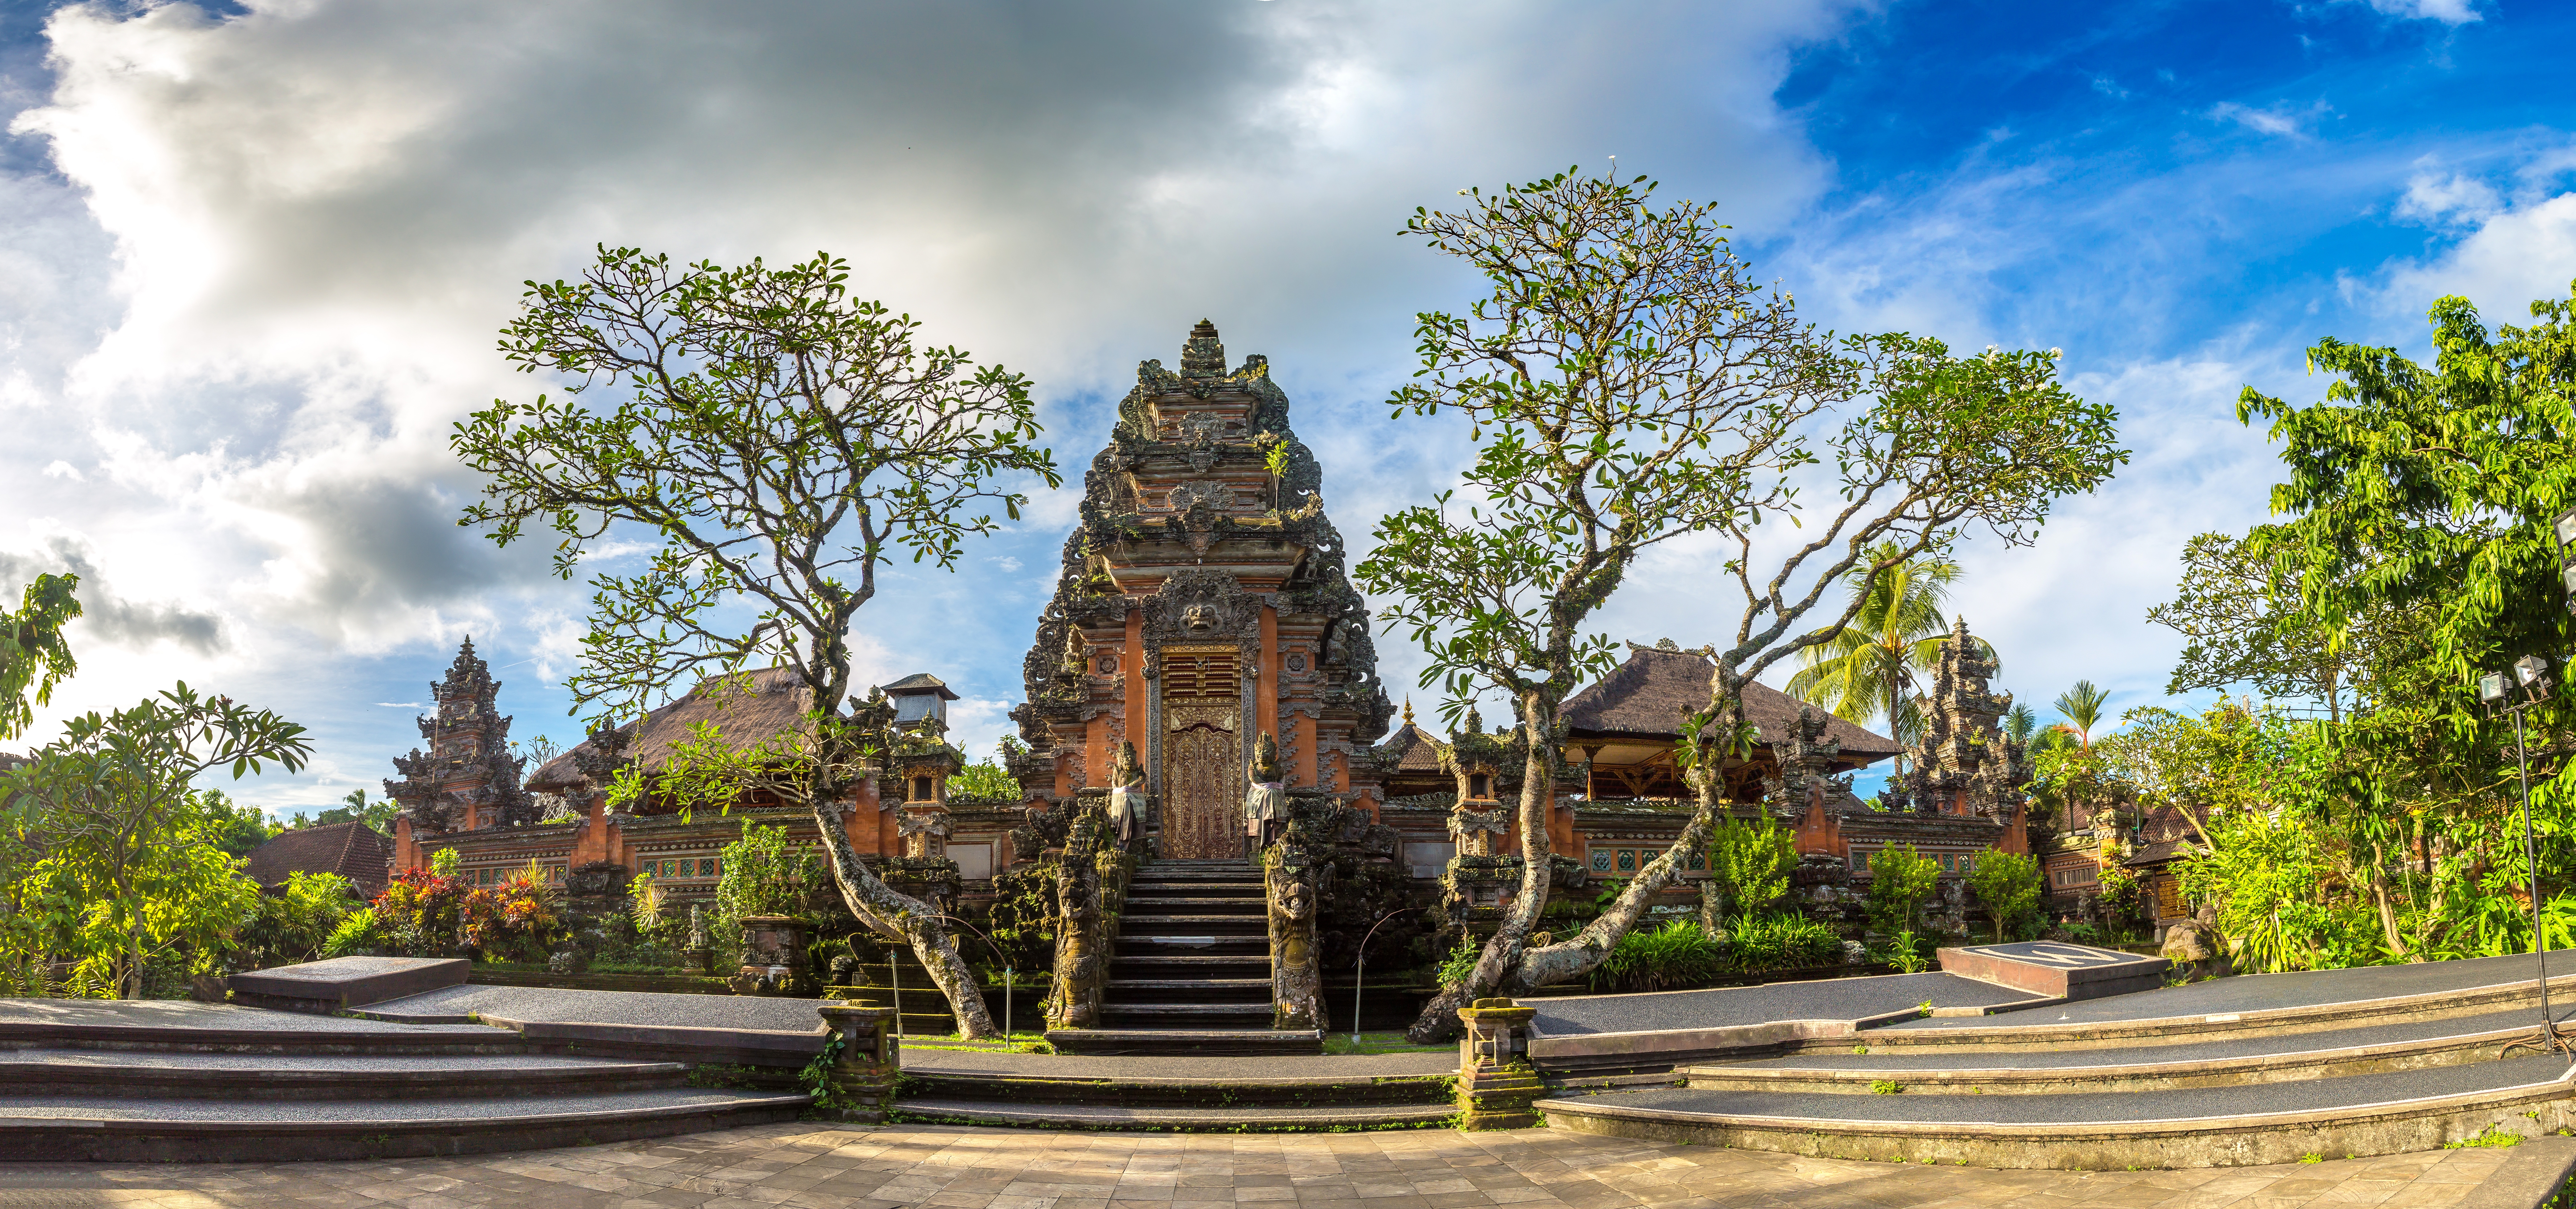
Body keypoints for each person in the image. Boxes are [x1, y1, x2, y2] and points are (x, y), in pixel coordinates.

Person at [1243, 732, 1289, 856]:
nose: (1262, 754)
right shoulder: (1254, 767)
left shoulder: (1277, 767)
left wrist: (1278, 788)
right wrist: (1268, 787)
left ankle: (1275, 841)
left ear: (1273, 754)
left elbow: (1282, 778)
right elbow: (1254, 779)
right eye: (1260, 752)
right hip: (1257, 795)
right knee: (1257, 816)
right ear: (1256, 754)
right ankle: (1257, 844)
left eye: (1266, 752)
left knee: (1275, 809)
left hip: (1275, 795)